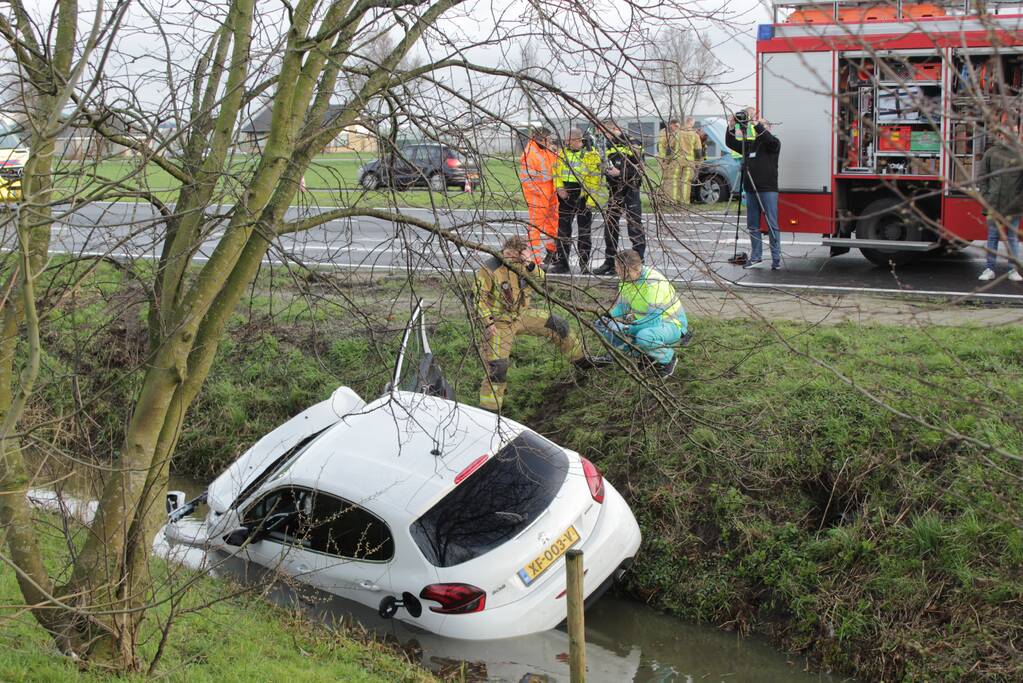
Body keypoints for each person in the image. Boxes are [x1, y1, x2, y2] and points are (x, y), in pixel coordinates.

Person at [475, 236, 589, 411]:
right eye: (507, 254)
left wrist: (529, 263)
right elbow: (477, 299)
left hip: (522, 315)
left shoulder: (525, 265)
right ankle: (490, 410)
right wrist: (488, 323)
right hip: (499, 322)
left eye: (514, 255)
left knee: (559, 326)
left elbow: (542, 278)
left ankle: (581, 363)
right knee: (497, 367)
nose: (510, 259)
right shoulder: (490, 268)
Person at [594, 249, 688, 377]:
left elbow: (653, 320)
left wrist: (627, 328)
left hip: (670, 324)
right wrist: (608, 318)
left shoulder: (653, 283)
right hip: (645, 323)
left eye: (618, 268)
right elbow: (622, 306)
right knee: (605, 327)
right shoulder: (626, 280)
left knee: (644, 337)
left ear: (632, 268)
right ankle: (635, 353)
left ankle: (668, 358)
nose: (616, 271)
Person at [725, 106, 783, 270]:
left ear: (769, 128)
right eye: (759, 125)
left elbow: (768, 139)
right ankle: (756, 257)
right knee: (752, 225)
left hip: (767, 189)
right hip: (750, 189)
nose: (759, 127)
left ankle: (776, 259)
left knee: (772, 224)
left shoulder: (773, 144)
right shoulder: (750, 144)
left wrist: (755, 122)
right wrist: (732, 125)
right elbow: (731, 142)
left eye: (763, 125)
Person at [593, 121, 646, 275]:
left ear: (616, 129)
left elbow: (639, 168)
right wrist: (603, 168)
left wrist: (621, 171)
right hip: (614, 189)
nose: (604, 136)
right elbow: (605, 162)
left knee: (634, 226)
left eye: (606, 133)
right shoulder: (607, 144)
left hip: (630, 188)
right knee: (610, 225)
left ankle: (639, 263)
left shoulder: (633, 143)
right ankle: (610, 262)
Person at [550, 128, 603, 274]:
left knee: (584, 232)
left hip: (583, 197)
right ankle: (562, 263)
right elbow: (556, 173)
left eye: (569, 140)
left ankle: (584, 265)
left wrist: (591, 201)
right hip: (566, 195)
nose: (566, 143)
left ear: (578, 140)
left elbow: (595, 180)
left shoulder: (591, 155)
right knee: (563, 231)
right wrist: (559, 188)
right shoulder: (562, 154)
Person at [976, 127, 1023, 282]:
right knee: (993, 237)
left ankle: (1013, 270)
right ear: (1000, 134)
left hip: (1014, 206)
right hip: (993, 204)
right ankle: (989, 269)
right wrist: (986, 197)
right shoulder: (991, 153)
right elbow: (982, 176)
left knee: (1012, 239)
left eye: (1014, 133)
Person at [519, 127, 560, 266]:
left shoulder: (545, 150)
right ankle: (536, 260)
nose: (550, 142)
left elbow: (554, 167)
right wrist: (539, 193)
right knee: (535, 228)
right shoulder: (530, 153)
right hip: (538, 196)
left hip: (551, 192)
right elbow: (526, 179)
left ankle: (552, 252)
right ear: (541, 138)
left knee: (553, 224)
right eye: (548, 140)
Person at [657, 118, 701, 205]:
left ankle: (672, 201)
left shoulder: (677, 133)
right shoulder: (695, 135)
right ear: (692, 124)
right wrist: (697, 163)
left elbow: (670, 148)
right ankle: (684, 202)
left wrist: (667, 160)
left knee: (673, 180)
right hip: (689, 162)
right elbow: (698, 151)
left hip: (676, 162)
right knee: (686, 182)